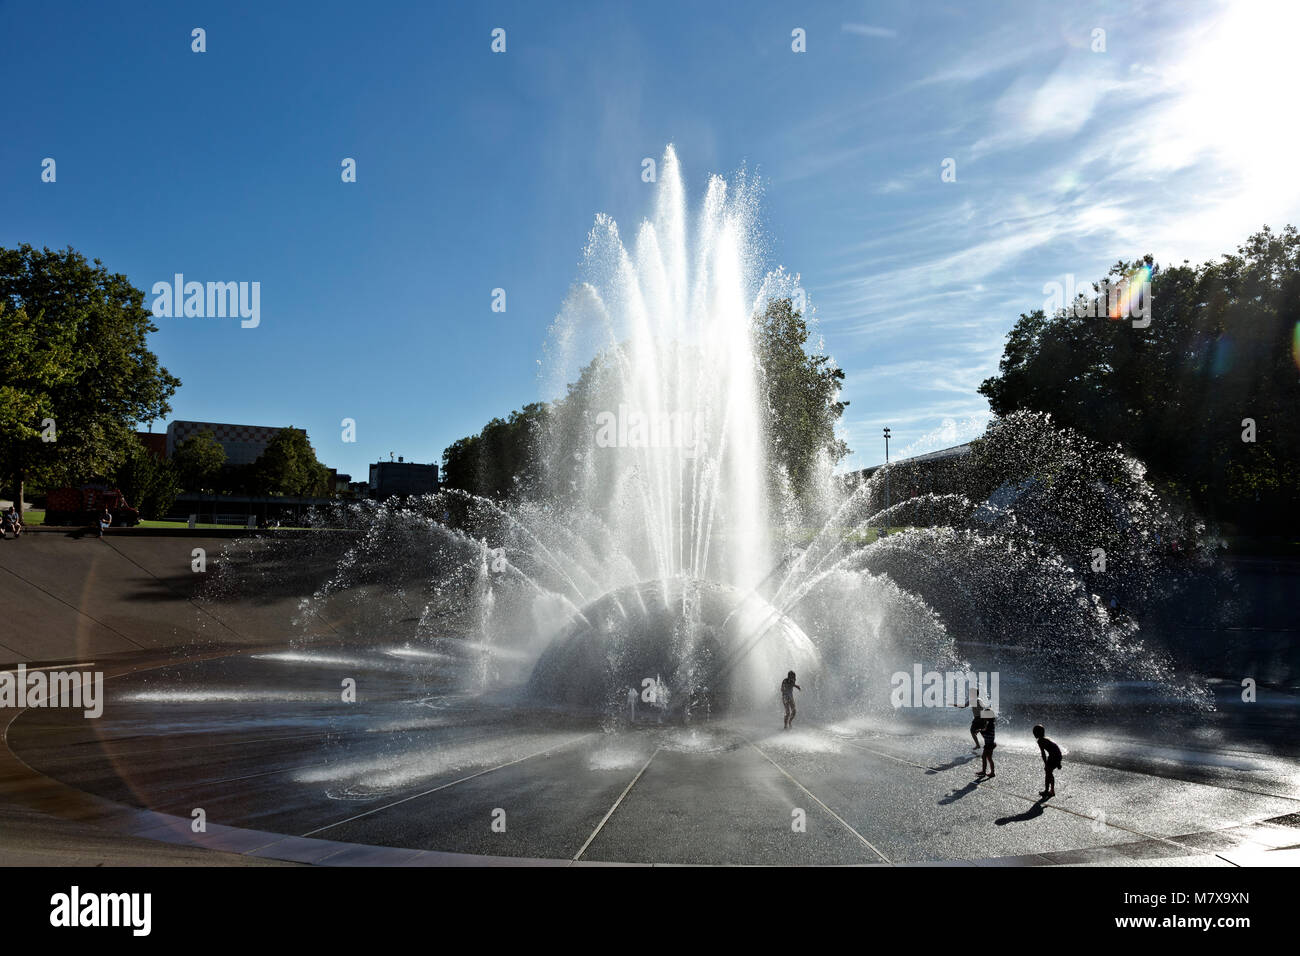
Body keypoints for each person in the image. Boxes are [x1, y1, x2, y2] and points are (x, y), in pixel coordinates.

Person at [1033, 724, 1062, 798]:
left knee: (1048, 772)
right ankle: (1051, 790)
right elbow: (1056, 748)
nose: (1033, 734)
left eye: (1034, 732)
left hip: (1054, 756)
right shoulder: (1046, 738)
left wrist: (1046, 764)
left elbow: (1043, 753)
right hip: (1057, 755)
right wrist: (1058, 762)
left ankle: (1047, 791)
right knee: (1049, 772)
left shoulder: (1040, 741)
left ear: (1037, 733)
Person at [976, 708, 996, 778]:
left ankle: (985, 771)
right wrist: (980, 730)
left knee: (985, 757)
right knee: (988, 758)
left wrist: (980, 731)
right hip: (989, 743)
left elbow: (986, 732)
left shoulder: (990, 724)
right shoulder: (990, 723)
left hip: (989, 744)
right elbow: (985, 731)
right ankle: (991, 772)